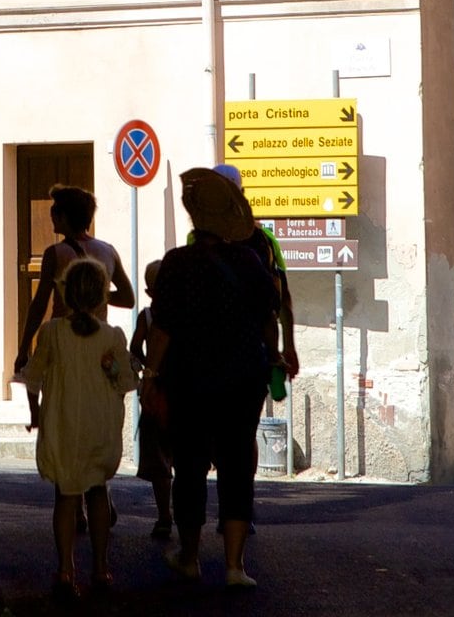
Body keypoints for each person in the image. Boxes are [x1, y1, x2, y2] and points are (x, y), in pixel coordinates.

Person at [146, 168, 280, 589]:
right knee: (237, 464)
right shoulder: (250, 261)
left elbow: (161, 328)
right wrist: (274, 356)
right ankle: (235, 566)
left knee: (189, 465)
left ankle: (189, 557)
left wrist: (151, 375)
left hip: (189, 379)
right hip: (242, 378)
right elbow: (269, 316)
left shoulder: (177, 262)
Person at [23, 257, 136, 599]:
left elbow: (33, 377)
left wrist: (35, 413)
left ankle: (65, 570)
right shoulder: (112, 336)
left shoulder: (52, 332)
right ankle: (100, 569)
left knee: (65, 497)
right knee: (98, 491)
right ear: (102, 296)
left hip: (63, 425)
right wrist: (111, 370)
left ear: (66, 293)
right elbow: (125, 382)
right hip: (99, 425)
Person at [16, 185, 137, 376]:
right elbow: (128, 299)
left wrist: (23, 349)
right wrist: (96, 295)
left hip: (63, 341)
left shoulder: (55, 254)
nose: (51, 217)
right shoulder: (108, 251)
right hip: (98, 341)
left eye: (54, 212)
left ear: (63, 217)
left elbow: (39, 304)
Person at [211, 164, 299, 387]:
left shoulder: (194, 244)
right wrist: (287, 347)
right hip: (251, 355)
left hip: (208, 359)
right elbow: (280, 299)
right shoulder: (265, 240)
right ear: (241, 195)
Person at [127, 258, 173, 540]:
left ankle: (165, 515)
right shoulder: (184, 312)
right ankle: (175, 515)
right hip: (179, 390)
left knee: (158, 461)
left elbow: (134, 348)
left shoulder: (146, 316)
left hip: (155, 391)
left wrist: (147, 368)